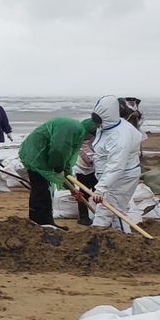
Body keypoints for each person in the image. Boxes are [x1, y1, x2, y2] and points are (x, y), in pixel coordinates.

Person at [17, 116, 94, 227]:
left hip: (44, 155)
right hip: (36, 154)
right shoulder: (74, 129)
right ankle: (37, 222)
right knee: (40, 189)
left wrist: (71, 187)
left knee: (46, 189)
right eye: (92, 136)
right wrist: (58, 166)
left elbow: (66, 161)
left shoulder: (77, 134)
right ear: (90, 132)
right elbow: (58, 149)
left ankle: (48, 222)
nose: (90, 139)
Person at [85, 94, 145, 232]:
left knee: (105, 212)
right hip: (111, 178)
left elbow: (116, 165)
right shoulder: (107, 126)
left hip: (122, 177)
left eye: (98, 121)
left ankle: (97, 239)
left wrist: (101, 188)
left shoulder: (120, 136)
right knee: (117, 212)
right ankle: (122, 241)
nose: (96, 125)